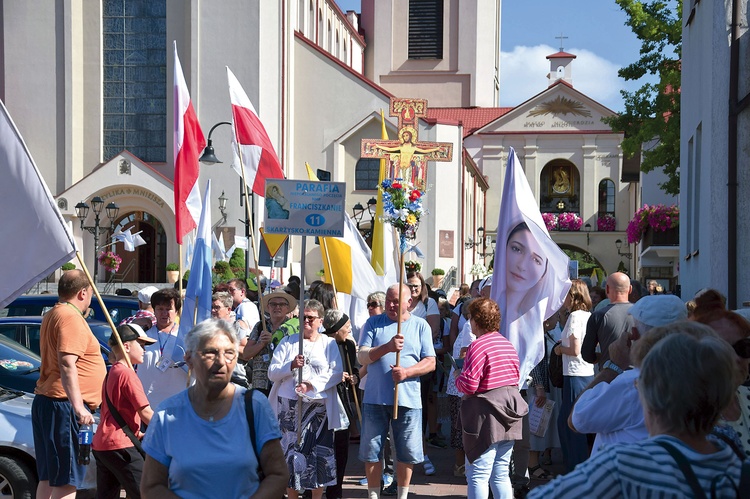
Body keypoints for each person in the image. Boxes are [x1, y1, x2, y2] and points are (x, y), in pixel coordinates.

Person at [528, 328, 744, 498]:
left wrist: (613, 367)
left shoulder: (624, 466)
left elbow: (577, 419)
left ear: (650, 395)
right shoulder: (736, 464)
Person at [141, 319, 287, 497]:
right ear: (189, 358)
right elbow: (151, 486)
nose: (221, 362)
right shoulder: (167, 414)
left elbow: (278, 474)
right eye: (210, 353)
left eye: (229, 353)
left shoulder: (254, 406)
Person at [570, 295, 688, 456]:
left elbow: (576, 420)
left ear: (634, 334)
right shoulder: (695, 376)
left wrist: (613, 367)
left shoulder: (633, 383)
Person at [33, 270, 107, 499]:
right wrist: (78, 407)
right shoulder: (71, 317)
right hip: (64, 407)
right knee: (66, 481)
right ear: (83, 292)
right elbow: (67, 364)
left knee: (49, 478)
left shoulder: (53, 313)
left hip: (51, 403)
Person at [358, 283, 436, 499]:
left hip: (408, 400)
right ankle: (374, 496)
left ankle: (402, 495)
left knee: (406, 453)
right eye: (388, 300)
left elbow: (430, 362)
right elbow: (362, 357)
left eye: (395, 301)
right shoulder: (373, 323)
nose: (390, 305)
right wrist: (387, 348)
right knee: (372, 451)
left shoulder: (421, 326)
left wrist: (408, 372)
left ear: (409, 302)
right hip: (375, 398)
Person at [267, 300, 346, 499]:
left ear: (320, 321)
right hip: (289, 407)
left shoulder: (328, 344)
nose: (306, 321)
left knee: (317, 457)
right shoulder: (288, 342)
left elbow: (336, 373)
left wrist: (311, 384)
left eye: (311, 318)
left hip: (317, 409)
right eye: (302, 317)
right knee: (291, 456)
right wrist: (291, 365)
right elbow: (272, 373)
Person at [456, 298, 527, 499]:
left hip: (485, 415)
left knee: (478, 473)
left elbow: (469, 385)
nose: (469, 322)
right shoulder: (507, 344)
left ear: (476, 321)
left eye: (470, 318)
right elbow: (514, 377)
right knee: (501, 473)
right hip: (509, 414)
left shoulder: (477, 346)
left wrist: (457, 377)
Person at [93, 322, 155, 499]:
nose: (144, 350)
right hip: (120, 444)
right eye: (141, 345)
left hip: (104, 444)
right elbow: (145, 413)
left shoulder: (113, 371)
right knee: (147, 492)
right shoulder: (127, 374)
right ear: (126, 346)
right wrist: (170, 428)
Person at [694, 305, 750, 456]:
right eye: (721, 349)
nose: (736, 358)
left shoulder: (747, 396)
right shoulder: (688, 414)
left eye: (743, 347)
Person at [553, 279, 594, 472]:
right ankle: (578, 466)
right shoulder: (587, 315)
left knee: (569, 424)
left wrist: (560, 350)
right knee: (573, 422)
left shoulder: (576, 316)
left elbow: (575, 349)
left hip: (575, 374)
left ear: (573, 295)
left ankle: (576, 468)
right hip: (584, 373)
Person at [323, 309, 359, 499]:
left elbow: (354, 368)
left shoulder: (349, 345)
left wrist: (354, 376)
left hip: (342, 404)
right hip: (324, 403)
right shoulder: (321, 344)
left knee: (341, 449)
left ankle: (335, 492)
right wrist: (335, 377)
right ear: (336, 329)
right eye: (346, 326)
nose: (350, 328)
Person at [137, 288, 189, 409]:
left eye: (168, 309)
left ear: (176, 311)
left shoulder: (186, 336)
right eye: (160, 309)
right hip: (148, 404)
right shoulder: (144, 334)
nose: (164, 313)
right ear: (154, 311)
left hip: (177, 403)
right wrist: (136, 323)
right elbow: (118, 344)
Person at [242, 289, 299, 396]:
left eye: (281, 304)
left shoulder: (293, 328)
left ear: (287, 308)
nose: (277, 307)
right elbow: (246, 354)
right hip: (260, 384)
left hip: (283, 383)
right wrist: (261, 344)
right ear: (268, 307)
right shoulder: (259, 327)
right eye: (273, 304)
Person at [445, 299, 476, 478]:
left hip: (460, 383)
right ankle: (460, 465)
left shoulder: (467, 328)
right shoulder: (468, 328)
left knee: (461, 426)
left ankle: (462, 464)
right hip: (462, 385)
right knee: (461, 426)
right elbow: (465, 354)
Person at [581, 272, 633, 370]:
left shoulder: (598, 316)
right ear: (630, 289)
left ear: (607, 289)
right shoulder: (642, 314)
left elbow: (587, 354)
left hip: (609, 376)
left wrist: (602, 357)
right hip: (638, 377)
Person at [211, 291, 250, 387]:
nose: (213, 310)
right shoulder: (210, 327)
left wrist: (226, 346)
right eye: (212, 307)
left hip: (236, 378)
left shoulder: (238, 325)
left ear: (228, 309)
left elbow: (247, 353)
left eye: (217, 307)